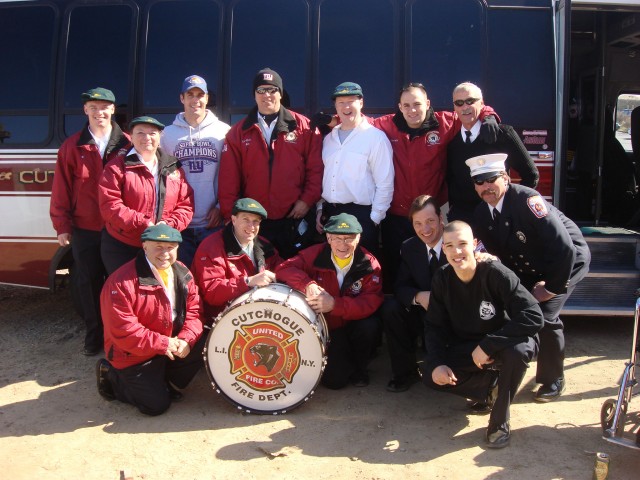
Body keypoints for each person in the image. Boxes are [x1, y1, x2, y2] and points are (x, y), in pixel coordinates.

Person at [319, 82, 499, 285]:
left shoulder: (445, 123)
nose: (412, 110)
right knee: (396, 265)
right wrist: (332, 121)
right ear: (400, 107)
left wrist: (489, 116)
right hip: (396, 214)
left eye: (417, 104)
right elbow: (356, 121)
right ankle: (401, 307)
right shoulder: (386, 125)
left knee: (436, 264)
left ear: (427, 103)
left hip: (429, 214)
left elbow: (468, 110)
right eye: (406, 105)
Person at [468, 153, 591, 402]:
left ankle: (553, 379)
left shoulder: (528, 201)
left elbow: (564, 248)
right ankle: (496, 375)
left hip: (564, 263)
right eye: (480, 182)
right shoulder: (481, 214)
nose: (486, 187)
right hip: (528, 269)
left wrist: (552, 288)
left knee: (543, 317)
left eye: (491, 179)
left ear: (506, 177)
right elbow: (485, 251)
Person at [422, 221, 543, 448]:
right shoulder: (442, 278)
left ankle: (499, 421)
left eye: (463, 244)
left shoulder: (496, 273)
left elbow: (534, 316)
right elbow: (434, 326)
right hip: (470, 344)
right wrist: (438, 363)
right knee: (429, 372)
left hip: (508, 341)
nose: (457, 252)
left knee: (517, 352)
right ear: (443, 249)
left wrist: (489, 345)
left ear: (475, 245)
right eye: (450, 246)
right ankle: (489, 388)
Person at [50, 87, 131, 356]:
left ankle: (120, 335)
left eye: (104, 107)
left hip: (120, 228)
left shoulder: (127, 145)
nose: (99, 112)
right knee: (89, 282)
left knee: (122, 283)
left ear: (113, 109)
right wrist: (62, 225)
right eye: (93, 107)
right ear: (85, 110)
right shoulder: (71, 146)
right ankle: (95, 336)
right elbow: (61, 189)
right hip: (86, 228)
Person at [96, 224, 204, 416]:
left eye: (170, 247)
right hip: (134, 354)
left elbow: (194, 312)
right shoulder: (120, 282)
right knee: (155, 407)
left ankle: (163, 381)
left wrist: (186, 339)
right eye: (158, 247)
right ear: (144, 246)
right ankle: (113, 378)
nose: (165, 253)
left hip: (168, 343)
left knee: (206, 340)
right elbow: (124, 331)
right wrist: (164, 343)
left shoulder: (182, 271)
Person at [218, 67, 323, 259]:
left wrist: (306, 201)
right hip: (255, 220)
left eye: (272, 89)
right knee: (260, 275)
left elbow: (315, 169)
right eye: (261, 90)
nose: (267, 95)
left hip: (293, 216)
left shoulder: (304, 127)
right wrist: (230, 215)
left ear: (280, 93)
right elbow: (228, 179)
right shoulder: (238, 132)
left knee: (293, 273)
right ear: (254, 95)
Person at [276, 213, 383, 389]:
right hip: (326, 327)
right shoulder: (314, 253)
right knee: (335, 382)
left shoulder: (370, 264)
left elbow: (371, 301)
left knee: (369, 326)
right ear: (328, 238)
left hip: (353, 323)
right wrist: (307, 284)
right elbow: (284, 268)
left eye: (349, 238)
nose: (343, 244)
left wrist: (335, 305)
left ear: (358, 238)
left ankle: (360, 369)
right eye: (337, 238)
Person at [99, 116, 194, 274]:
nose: (147, 138)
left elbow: (186, 204)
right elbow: (110, 205)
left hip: (163, 244)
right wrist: (144, 224)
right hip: (124, 246)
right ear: (131, 136)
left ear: (160, 136)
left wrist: (168, 225)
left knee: (160, 292)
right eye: (140, 133)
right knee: (126, 293)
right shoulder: (116, 167)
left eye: (152, 133)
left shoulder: (173, 167)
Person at [160, 74, 231, 268]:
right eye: (190, 94)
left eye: (200, 95)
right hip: (179, 225)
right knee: (183, 281)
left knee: (211, 277)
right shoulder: (166, 135)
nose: (195, 100)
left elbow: (231, 175)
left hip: (212, 223)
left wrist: (220, 207)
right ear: (182, 98)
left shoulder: (223, 132)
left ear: (207, 99)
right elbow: (161, 179)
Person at [316, 82, 394, 256]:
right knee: (334, 268)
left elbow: (385, 183)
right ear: (335, 106)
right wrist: (320, 210)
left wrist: (374, 219)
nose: (346, 107)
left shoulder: (375, 138)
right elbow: (325, 178)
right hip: (332, 214)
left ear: (361, 103)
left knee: (362, 271)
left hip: (361, 216)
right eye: (341, 102)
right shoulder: (329, 139)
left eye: (351, 101)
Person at [446, 82, 539, 227]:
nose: (465, 107)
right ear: (454, 107)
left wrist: (512, 205)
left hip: (497, 220)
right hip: (463, 223)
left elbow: (531, 174)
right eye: (459, 103)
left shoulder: (503, 134)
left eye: (470, 101)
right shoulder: (452, 143)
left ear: (482, 103)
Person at [381, 195, 447, 392]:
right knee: (391, 309)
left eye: (430, 221)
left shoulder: (457, 241)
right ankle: (405, 373)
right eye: (418, 223)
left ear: (441, 218)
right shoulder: (409, 247)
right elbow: (400, 287)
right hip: (424, 311)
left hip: (453, 313)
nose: (425, 230)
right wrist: (419, 296)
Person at [191, 198, 282, 324]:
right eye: (246, 219)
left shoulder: (265, 246)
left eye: (256, 221)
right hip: (219, 322)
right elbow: (212, 293)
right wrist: (248, 281)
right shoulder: (211, 247)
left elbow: (283, 269)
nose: (251, 226)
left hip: (256, 316)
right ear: (233, 220)